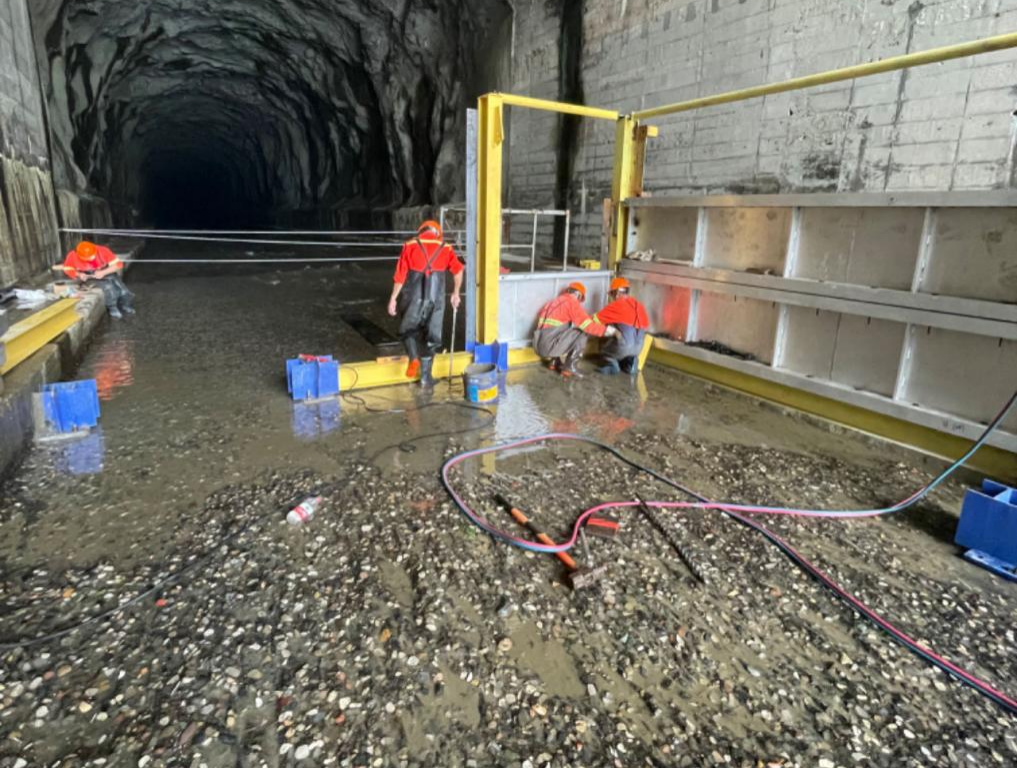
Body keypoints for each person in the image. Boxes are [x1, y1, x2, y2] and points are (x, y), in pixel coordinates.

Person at [388, 220, 464, 386]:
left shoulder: (410, 245)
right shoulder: (446, 247)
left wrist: (393, 298)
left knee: (407, 330)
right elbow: (458, 270)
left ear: (420, 231)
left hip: (413, 298)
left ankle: (413, 357)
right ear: (437, 233)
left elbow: (400, 276)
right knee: (433, 337)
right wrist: (456, 292)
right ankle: (425, 377)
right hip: (436, 300)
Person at [534, 282, 618, 377]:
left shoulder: (553, 302)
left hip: (539, 345)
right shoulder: (572, 303)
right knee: (582, 332)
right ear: (579, 296)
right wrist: (609, 331)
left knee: (564, 329)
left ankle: (554, 362)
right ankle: (570, 367)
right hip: (550, 346)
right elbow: (588, 326)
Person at [59, 241, 135, 319]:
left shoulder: (103, 250)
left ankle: (125, 304)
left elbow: (118, 264)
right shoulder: (72, 255)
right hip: (89, 276)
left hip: (106, 271)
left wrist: (103, 272)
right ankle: (112, 307)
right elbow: (67, 268)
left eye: (92, 256)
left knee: (122, 288)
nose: (90, 258)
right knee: (108, 287)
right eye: (87, 257)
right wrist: (79, 274)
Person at [593, 277, 650, 375]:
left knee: (604, 349)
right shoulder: (639, 305)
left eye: (612, 294)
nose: (611, 298)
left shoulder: (616, 305)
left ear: (616, 293)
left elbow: (594, 320)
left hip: (624, 347)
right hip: (638, 348)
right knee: (624, 344)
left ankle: (611, 365)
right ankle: (631, 364)